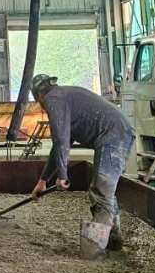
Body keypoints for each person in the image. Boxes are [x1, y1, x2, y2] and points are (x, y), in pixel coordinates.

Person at [28, 74, 135, 258]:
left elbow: (61, 140)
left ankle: (93, 250)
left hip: (112, 135)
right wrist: (43, 181)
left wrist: (62, 176)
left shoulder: (53, 99)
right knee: (104, 192)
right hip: (115, 132)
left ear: (39, 96)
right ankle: (114, 241)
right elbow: (60, 146)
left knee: (101, 191)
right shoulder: (63, 97)